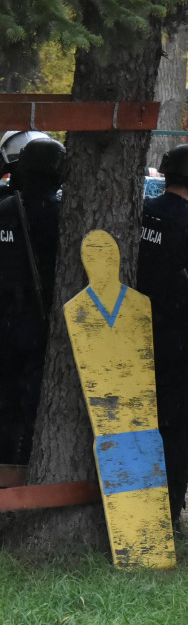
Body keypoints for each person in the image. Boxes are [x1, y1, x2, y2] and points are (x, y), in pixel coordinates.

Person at [136, 143, 188, 531]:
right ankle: (167, 514)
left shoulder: (139, 215)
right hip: (179, 346)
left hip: (132, 339)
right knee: (180, 430)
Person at [0, 137, 66, 464]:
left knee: (6, 406)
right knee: (33, 408)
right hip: (39, 322)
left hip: (5, 320)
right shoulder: (63, 217)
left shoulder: (4, 209)